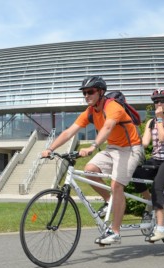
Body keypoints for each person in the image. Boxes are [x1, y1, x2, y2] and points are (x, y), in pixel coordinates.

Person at [41, 76, 144, 245]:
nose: (86, 95)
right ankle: (109, 200)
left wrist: (93, 146)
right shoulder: (90, 112)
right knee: (90, 170)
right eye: (84, 93)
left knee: (116, 185)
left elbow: (108, 126)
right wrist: (50, 149)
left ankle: (115, 231)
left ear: (101, 92)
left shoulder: (113, 106)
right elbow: (69, 132)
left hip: (131, 148)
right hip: (113, 148)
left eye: (90, 92)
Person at [132, 88, 164, 242]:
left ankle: (160, 229)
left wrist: (160, 119)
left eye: (162, 101)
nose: (159, 104)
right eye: (156, 102)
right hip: (157, 159)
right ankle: (150, 202)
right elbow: (145, 142)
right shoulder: (151, 122)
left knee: (157, 186)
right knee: (135, 174)